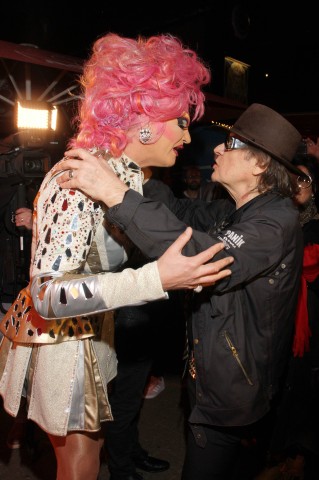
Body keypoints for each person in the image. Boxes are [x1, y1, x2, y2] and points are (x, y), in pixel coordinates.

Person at [0, 33, 235, 480]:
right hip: (62, 347)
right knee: (79, 462)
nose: (189, 135)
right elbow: (46, 294)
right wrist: (155, 279)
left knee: (90, 453)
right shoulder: (80, 175)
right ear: (144, 115)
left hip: (92, 337)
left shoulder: (123, 175)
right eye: (181, 121)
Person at [56, 102, 306, 480]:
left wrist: (116, 194)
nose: (218, 150)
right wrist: (132, 170)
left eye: (232, 144)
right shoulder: (236, 210)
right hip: (213, 381)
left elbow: (199, 257)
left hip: (231, 394)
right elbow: (176, 211)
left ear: (259, 165)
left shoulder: (274, 223)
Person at [258, 154, 319, 480]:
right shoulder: (271, 220)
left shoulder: (316, 224)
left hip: (309, 321)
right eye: (294, 177)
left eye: (306, 179)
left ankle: (298, 455)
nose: (298, 184)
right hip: (273, 314)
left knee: (304, 388)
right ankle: (269, 451)